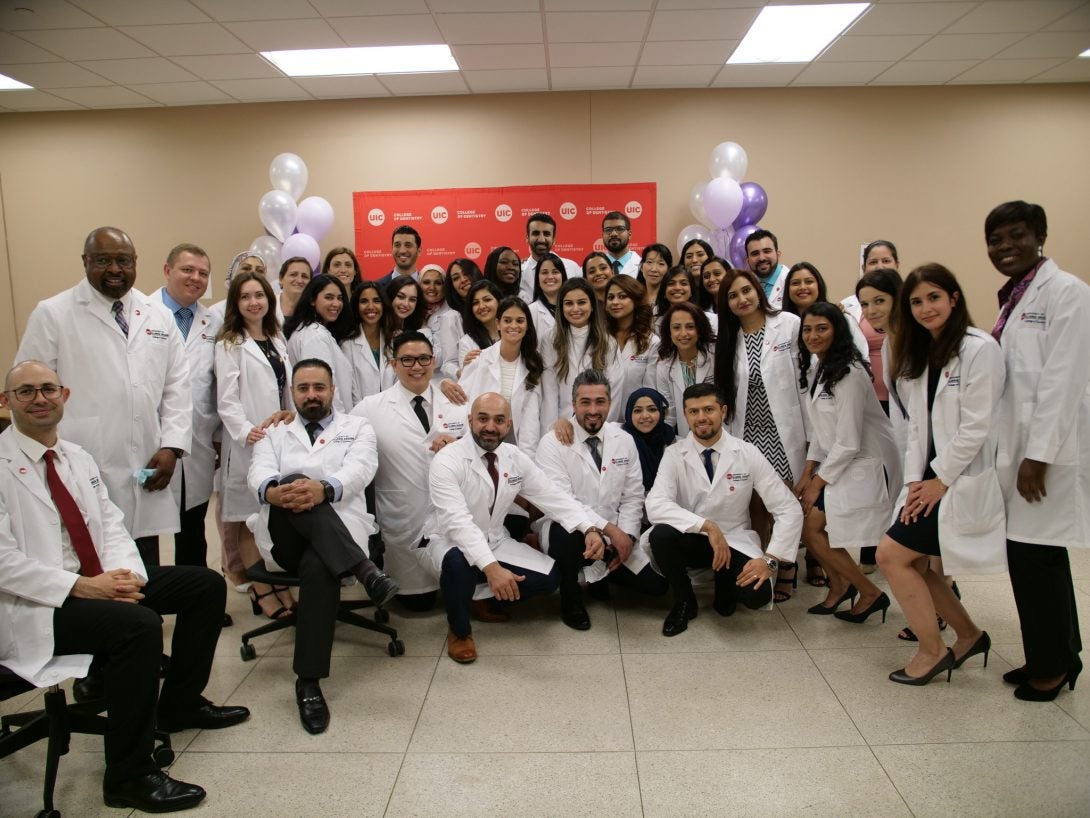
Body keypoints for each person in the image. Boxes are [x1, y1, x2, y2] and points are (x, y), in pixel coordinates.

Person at [0, 361, 249, 813]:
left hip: (99, 577)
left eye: (48, 389)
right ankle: (128, 775)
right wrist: (83, 587)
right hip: (36, 602)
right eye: (26, 392)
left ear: (65, 395)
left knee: (205, 586)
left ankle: (180, 703)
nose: (39, 399)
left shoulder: (76, 456)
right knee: (136, 626)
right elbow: (3, 562)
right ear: (6, 402)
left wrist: (126, 576)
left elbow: (111, 526)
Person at [17, 226, 192, 568]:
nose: (114, 269)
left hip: (147, 456)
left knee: (145, 555)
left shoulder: (158, 315)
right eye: (103, 260)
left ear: (135, 262)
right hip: (81, 455)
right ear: (85, 262)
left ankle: (145, 620)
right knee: (89, 550)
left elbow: (177, 386)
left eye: (123, 260)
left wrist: (172, 446)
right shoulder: (53, 313)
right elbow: (29, 389)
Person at [248, 359, 398, 733]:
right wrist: (276, 492)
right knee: (294, 479)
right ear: (292, 392)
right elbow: (258, 472)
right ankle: (366, 571)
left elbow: (361, 469)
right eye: (303, 388)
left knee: (319, 565)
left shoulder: (357, 427)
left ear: (332, 390)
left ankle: (309, 683)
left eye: (319, 387)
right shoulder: (275, 431)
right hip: (284, 534)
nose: (311, 395)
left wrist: (324, 490)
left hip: (340, 530)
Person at [877, 264, 1003, 686]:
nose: (926, 307)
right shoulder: (923, 352)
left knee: (891, 556)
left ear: (954, 298)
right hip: (927, 482)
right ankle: (968, 635)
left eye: (934, 297)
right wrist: (915, 481)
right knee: (919, 564)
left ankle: (932, 651)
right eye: (916, 301)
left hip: (955, 479)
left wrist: (940, 480)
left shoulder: (979, 348)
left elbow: (978, 425)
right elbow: (917, 426)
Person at [987, 200, 1088, 701]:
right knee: (1034, 559)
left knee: (1037, 560)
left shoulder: (1068, 294)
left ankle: (1053, 666)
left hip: (1043, 457)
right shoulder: (1017, 298)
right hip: (1020, 452)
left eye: (1016, 236)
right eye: (996, 239)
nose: (1005, 247)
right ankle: (1058, 653)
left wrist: (1039, 455)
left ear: (1040, 236)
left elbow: (1062, 383)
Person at [421, 392, 604, 664]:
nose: (490, 427)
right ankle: (459, 631)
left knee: (549, 578)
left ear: (508, 425)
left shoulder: (514, 457)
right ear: (470, 420)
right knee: (459, 562)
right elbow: (457, 524)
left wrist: (589, 527)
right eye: (483, 419)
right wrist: (492, 569)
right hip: (447, 541)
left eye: (499, 420)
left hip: (494, 539)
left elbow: (551, 495)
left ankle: (480, 600)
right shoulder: (448, 460)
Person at [646, 383, 803, 636]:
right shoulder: (674, 454)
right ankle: (685, 602)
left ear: (723, 411)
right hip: (694, 539)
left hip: (735, 541)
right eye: (693, 411)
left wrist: (770, 559)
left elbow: (788, 508)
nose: (701, 418)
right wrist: (707, 527)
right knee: (660, 535)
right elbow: (656, 504)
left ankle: (725, 581)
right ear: (685, 416)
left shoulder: (747, 453)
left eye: (709, 409)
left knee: (756, 597)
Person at [538, 370, 667, 629]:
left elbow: (633, 496)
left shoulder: (624, 439)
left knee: (658, 585)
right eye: (585, 402)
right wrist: (603, 530)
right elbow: (563, 502)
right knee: (567, 535)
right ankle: (570, 596)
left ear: (610, 403)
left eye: (600, 401)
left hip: (614, 528)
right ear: (573, 404)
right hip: (569, 527)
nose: (593, 409)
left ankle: (601, 574)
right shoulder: (552, 443)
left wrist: (627, 537)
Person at [795, 303, 900, 622]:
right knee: (811, 527)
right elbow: (821, 428)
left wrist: (816, 483)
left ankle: (866, 591)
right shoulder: (818, 366)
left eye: (822, 328)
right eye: (808, 329)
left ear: (838, 330)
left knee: (812, 527)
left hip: (864, 462)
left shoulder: (850, 372)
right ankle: (843, 586)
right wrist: (807, 469)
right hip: (839, 461)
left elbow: (849, 440)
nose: (813, 335)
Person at [353, 332, 467, 612]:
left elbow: (481, 446)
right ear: (394, 364)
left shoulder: (456, 401)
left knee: (458, 580)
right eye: (407, 360)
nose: (417, 366)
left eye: (423, 359)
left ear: (434, 361)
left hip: (448, 511)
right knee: (418, 602)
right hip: (403, 515)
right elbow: (337, 432)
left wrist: (458, 447)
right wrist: (289, 418)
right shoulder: (371, 407)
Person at [713, 267, 806, 603]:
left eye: (745, 291)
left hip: (784, 430)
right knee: (754, 506)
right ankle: (764, 564)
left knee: (785, 501)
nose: (741, 299)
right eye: (733, 295)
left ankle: (788, 566)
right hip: (747, 431)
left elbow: (804, 382)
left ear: (758, 291)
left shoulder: (789, 325)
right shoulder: (728, 339)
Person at [214, 271, 296, 620]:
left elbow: (287, 389)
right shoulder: (229, 343)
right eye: (245, 296)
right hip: (248, 442)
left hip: (279, 438)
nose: (253, 302)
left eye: (259, 295)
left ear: (269, 300)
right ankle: (262, 591)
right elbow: (226, 400)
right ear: (236, 303)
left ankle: (278, 584)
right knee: (248, 516)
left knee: (273, 516)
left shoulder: (277, 338)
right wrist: (247, 431)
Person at [157, 244, 220, 574]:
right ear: (168, 271)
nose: (195, 278)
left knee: (193, 527)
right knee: (145, 531)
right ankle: (146, 605)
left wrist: (219, 438)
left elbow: (217, 385)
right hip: (151, 439)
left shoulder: (212, 322)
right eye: (187, 270)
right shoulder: (143, 313)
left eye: (203, 273)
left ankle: (197, 600)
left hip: (198, 440)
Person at [855, 266, 905, 577]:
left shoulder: (912, 343)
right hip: (905, 440)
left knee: (914, 545)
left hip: (929, 452)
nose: (871, 310)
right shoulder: (889, 343)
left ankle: (945, 598)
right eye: (864, 304)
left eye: (879, 301)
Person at [459, 296, 544, 457]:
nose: (513, 326)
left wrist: (526, 461)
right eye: (507, 320)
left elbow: (530, 421)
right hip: (476, 446)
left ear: (527, 326)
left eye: (520, 321)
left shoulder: (533, 365)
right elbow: (461, 404)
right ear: (498, 324)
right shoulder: (478, 360)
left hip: (514, 450)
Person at [541, 278, 625, 427]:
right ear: (561, 307)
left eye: (581, 302)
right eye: (568, 303)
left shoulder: (608, 343)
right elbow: (549, 392)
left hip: (599, 423)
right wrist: (553, 429)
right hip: (563, 424)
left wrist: (600, 427)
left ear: (592, 305)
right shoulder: (550, 340)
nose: (575, 309)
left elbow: (614, 391)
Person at [284, 273, 353, 413]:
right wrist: (341, 425)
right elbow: (323, 385)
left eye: (339, 298)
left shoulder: (313, 331)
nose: (336, 303)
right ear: (312, 300)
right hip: (328, 421)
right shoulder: (315, 336)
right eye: (329, 297)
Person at [652, 302, 715, 436]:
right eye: (676, 327)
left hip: (719, 432)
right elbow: (670, 413)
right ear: (669, 332)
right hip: (686, 436)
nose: (683, 333)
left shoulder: (715, 357)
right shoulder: (664, 366)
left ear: (700, 328)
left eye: (690, 327)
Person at [782, 261, 867, 357]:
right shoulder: (780, 325)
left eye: (809, 281)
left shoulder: (842, 317)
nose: (802, 287)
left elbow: (862, 356)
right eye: (795, 283)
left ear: (819, 285)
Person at [605, 275, 658, 405]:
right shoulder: (600, 337)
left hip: (636, 420)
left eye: (622, 296)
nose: (615, 302)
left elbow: (650, 389)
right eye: (610, 297)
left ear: (636, 300)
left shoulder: (651, 342)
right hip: (602, 420)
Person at [340, 280, 395, 406]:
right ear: (356, 306)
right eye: (364, 301)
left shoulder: (394, 340)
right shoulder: (347, 344)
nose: (371, 306)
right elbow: (351, 390)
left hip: (392, 413)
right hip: (361, 416)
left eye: (376, 301)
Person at [621, 387, 676, 497]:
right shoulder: (620, 441)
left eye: (652, 409)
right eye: (637, 410)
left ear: (661, 411)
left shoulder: (671, 440)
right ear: (629, 413)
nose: (645, 416)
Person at [436, 258, 482, 383]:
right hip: (471, 384)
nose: (463, 279)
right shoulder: (452, 318)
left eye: (466, 273)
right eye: (456, 278)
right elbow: (448, 364)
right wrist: (462, 372)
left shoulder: (494, 307)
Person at [519, 212, 582, 302]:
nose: (541, 239)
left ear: (554, 239)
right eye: (536, 233)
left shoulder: (572, 267)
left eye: (546, 234)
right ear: (527, 237)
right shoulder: (519, 273)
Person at [448, 279, 502, 380]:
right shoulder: (467, 342)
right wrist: (465, 370)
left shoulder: (511, 332)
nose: (481, 306)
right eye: (475, 303)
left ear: (499, 301)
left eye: (487, 300)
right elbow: (468, 382)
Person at [744, 229, 788, 309]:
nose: (761, 258)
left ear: (778, 254)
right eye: (755, 254)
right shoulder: (745, 285)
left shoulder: (791, 281)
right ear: (748, 261)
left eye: (767, 251)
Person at [528, 252, 567, 340]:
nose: (550, 277)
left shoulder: (572, 307)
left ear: (563, 276)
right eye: (544, 272)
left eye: (555, 272)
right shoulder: (531, 311)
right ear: (538, 279)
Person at [636, 243, 673, 314]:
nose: (654, 269)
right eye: (649, 262)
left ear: (668, 269)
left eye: (661, 263)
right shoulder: (633, 296)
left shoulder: (671, 298)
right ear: (641, 266)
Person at [602, 211, 639, 277]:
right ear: (602, 234)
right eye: (608, 229)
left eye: (619, 229)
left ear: (629, 234)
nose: (614, 234)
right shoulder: (591, 268)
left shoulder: (642, 266)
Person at [276, 255, 312, 324]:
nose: (299, 280)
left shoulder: (315, 312)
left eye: (304, 276)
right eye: (293, 274)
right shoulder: (267, 307)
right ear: (281, 279)